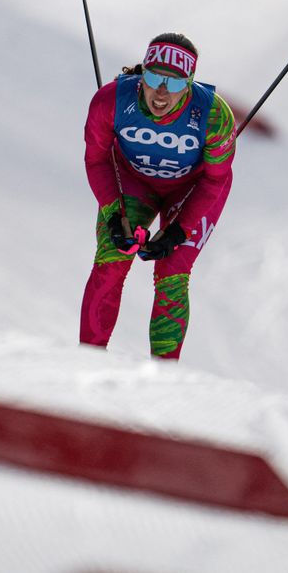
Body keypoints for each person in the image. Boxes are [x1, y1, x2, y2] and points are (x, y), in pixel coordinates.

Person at [79, 32, 236, 359]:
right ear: (141, 76)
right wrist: (112, 215)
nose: (162, 91)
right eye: (154, 78)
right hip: (134, 182)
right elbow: (96, 159)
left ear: (190, 85)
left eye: (176, 83)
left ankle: (163, 378)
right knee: (111, 260)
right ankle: (87, 361)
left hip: (191, 191)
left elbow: (215, 180)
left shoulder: (214, 116)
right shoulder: (111, 102)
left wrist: (180, 230)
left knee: (172, 272)